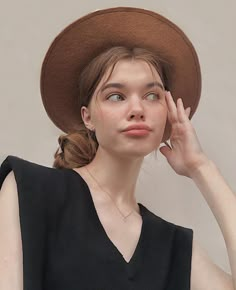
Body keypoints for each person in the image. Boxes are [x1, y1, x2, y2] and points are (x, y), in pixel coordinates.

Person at [0, 6, 235, 290]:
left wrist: (201, 167)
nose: (137, 108)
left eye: (152, 95)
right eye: (116, 96)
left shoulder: (174, 247)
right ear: (87, 117)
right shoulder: (29, 190)